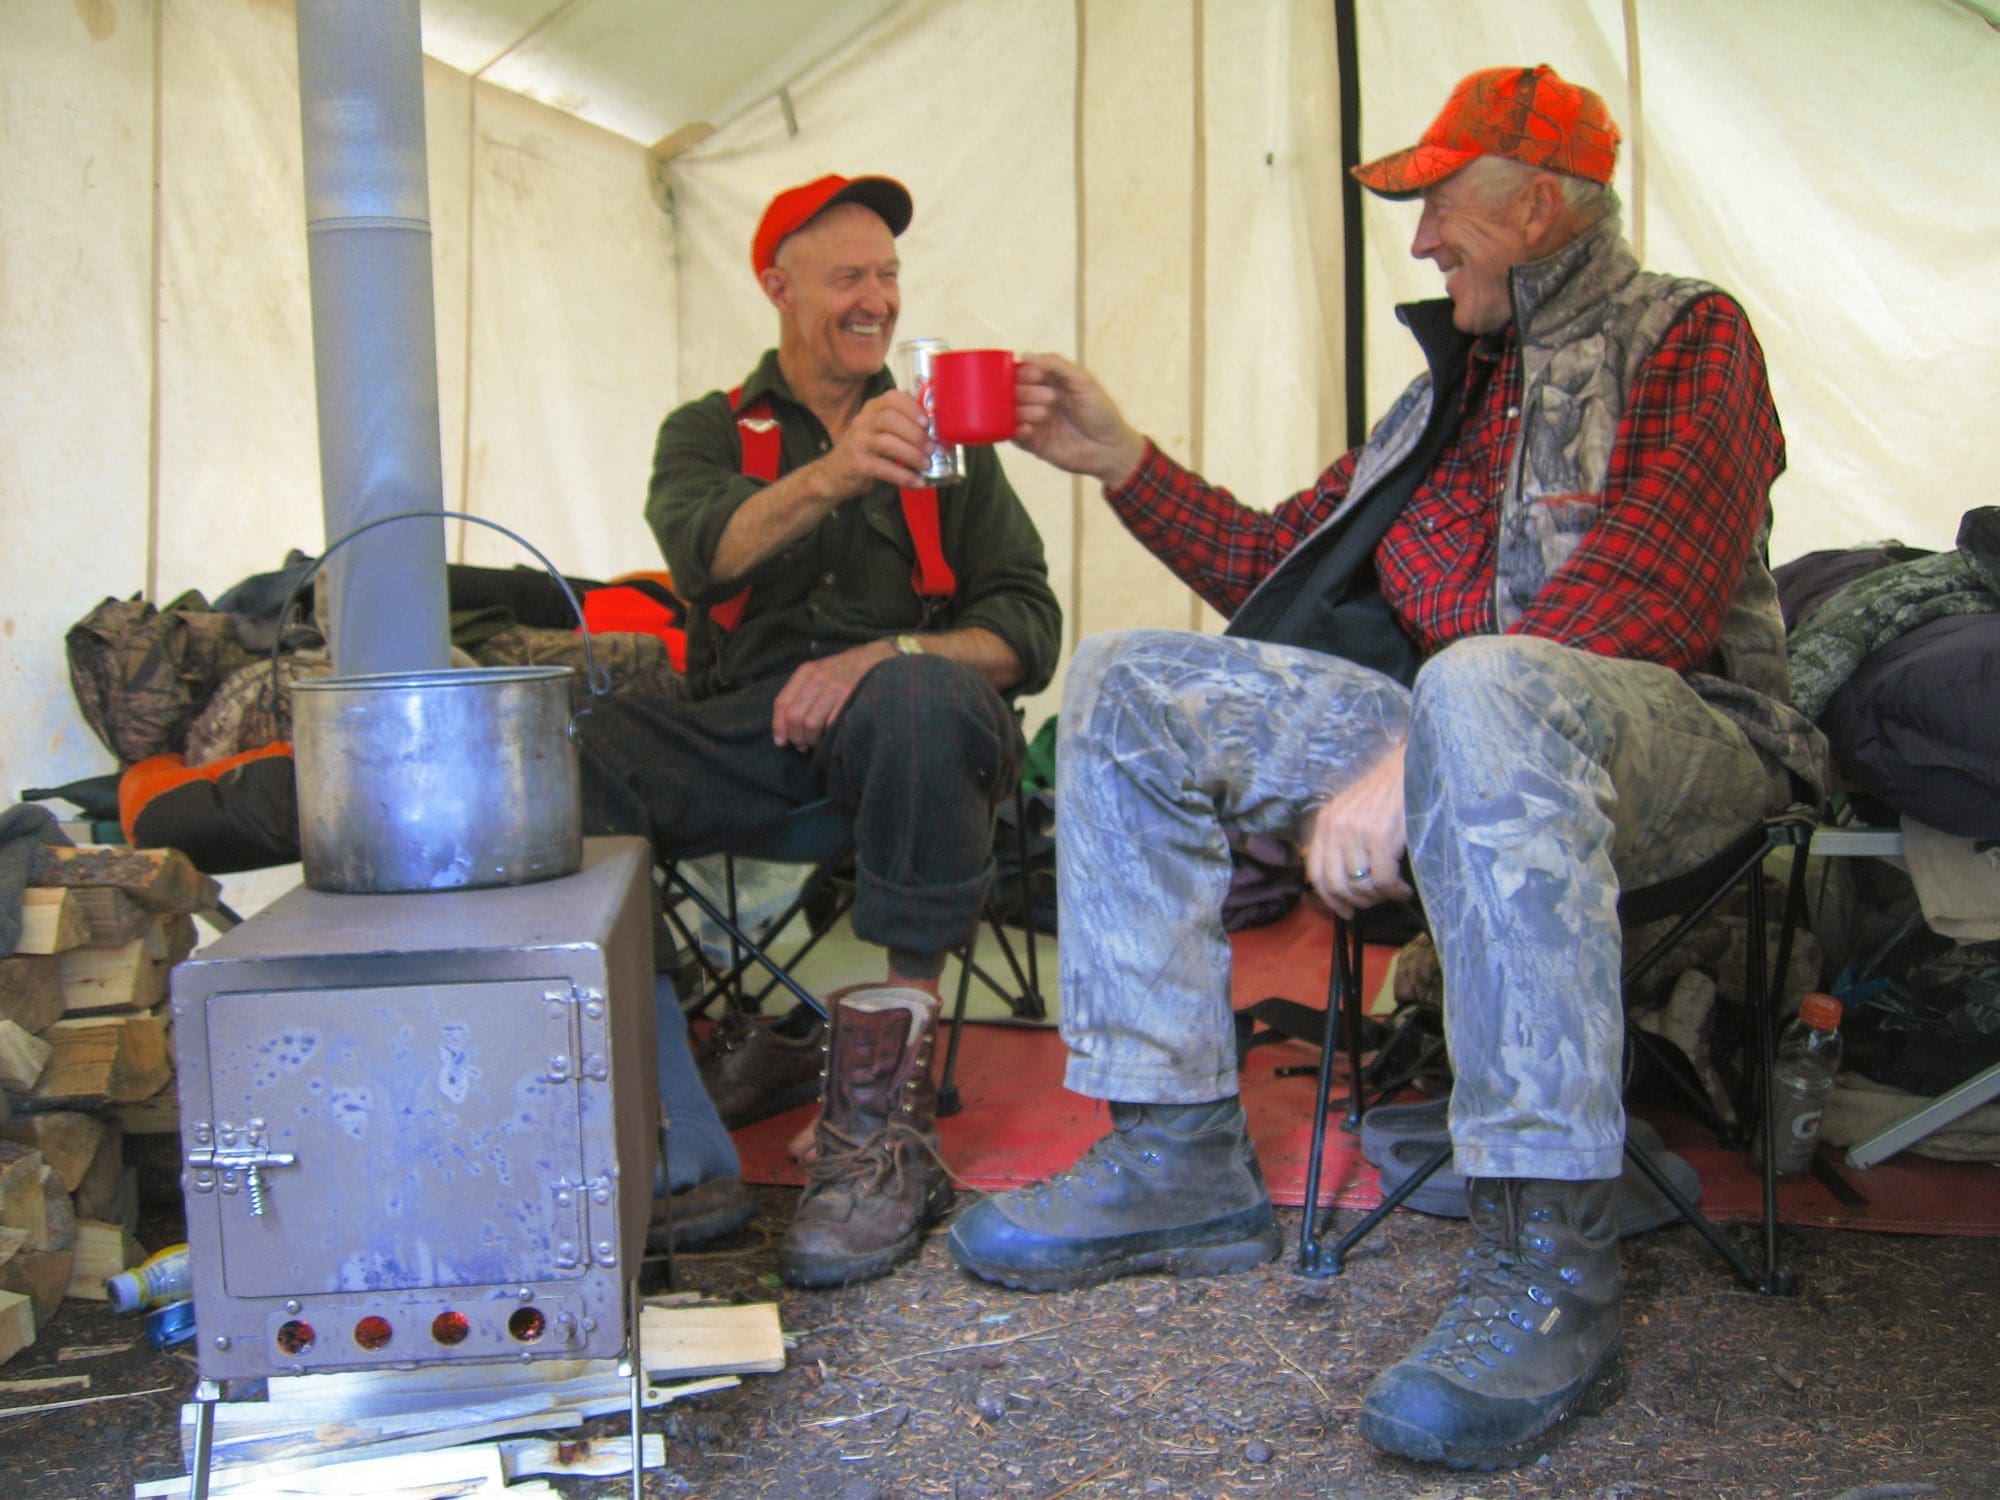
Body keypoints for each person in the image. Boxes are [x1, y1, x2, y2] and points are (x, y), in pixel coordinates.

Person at [947, 65, 1825, 1470]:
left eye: (1440, 207)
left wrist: (1407, 751)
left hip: (1681, 748)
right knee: (1130, 681)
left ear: (1538, 204)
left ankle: (1550, 1264)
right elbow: (1272, 564)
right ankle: (1175, 1154)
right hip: (1463, 736)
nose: (1418, 242)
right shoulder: (1448, 399)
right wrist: (1119, 459)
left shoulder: (1690, 336)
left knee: (1479, 684)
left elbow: (1645, 602)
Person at [576, 173, 1061, 1288]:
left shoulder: (948, 430)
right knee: (572, 751)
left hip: (908, 734)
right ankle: (668, 1119)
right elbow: (704, 555)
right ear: (776, 286)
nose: (876, 300)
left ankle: (879, 1127)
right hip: (749, 730)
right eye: (848, 276)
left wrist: (884, 657)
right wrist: (839, 470)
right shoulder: (708, 429)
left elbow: (1028, 625)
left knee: (922, 696)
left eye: (887, 275)